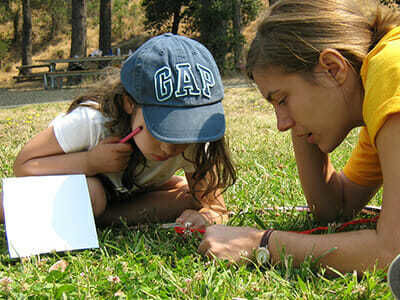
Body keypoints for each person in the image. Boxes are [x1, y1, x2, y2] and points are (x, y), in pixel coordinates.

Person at [198, 0, 400, 277]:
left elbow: (392, 251)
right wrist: (301, 122)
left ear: (332, 68)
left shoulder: (392, 70)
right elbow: (336, 207)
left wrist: (260, 243)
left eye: (282, 99)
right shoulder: (376, 99)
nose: (281, 125)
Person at [9, 33, 236, 228]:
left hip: (125, 192)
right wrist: (90, 162)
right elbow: (24, 165)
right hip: (78, 183)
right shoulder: (92, 121)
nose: (170, 147)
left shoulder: (195, 139)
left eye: (182, 132)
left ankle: (101, 216)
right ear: (129, 103)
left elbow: (214, 206)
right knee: (93, 195)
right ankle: (96, 212)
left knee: (188, 197)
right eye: (162, 130)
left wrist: (205, 217)